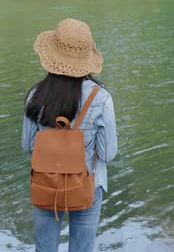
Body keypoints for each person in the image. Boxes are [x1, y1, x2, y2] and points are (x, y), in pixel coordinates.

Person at [21, 18, 118, 252]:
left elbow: (28, 145)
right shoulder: (101, 98)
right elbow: (107, 153)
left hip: (46, 183)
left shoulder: (36, 94)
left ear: (51, 56)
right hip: (87, 185)